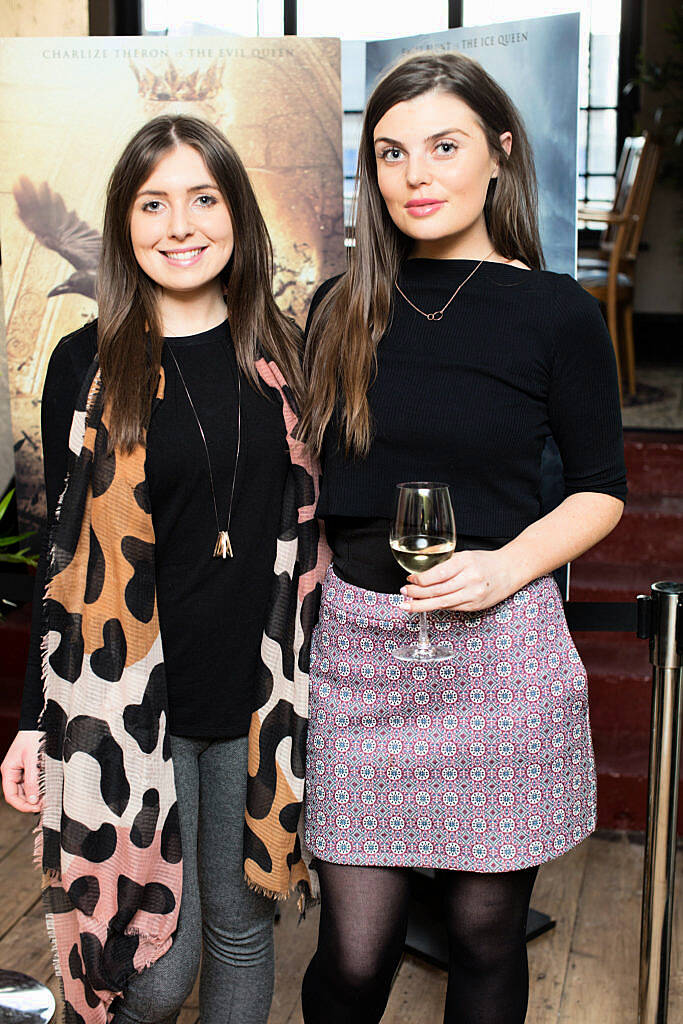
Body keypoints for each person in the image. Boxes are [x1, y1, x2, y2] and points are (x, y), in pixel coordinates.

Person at [299, 52, 626, 1024]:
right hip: (359, 651)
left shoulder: (554, 313)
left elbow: (600, 493)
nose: (414, 174)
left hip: (500, 652)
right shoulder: (339, 306)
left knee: (485, 937)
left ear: (499, 155)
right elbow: (309, 487)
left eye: (443, 146)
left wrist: (505, 567)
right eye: (390, 153)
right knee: (355, 955)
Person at [1, 114, 327, 1024]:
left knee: (240, 926)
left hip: (256, 697)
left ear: (236, 215)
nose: (178, 226)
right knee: (156, 967)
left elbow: (311, 539)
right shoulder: (87, 363)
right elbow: (58, 560)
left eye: (201, 199)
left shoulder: (284, 359)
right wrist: (31, 724)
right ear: (124, 221)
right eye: (153, 203)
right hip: (124, 702)